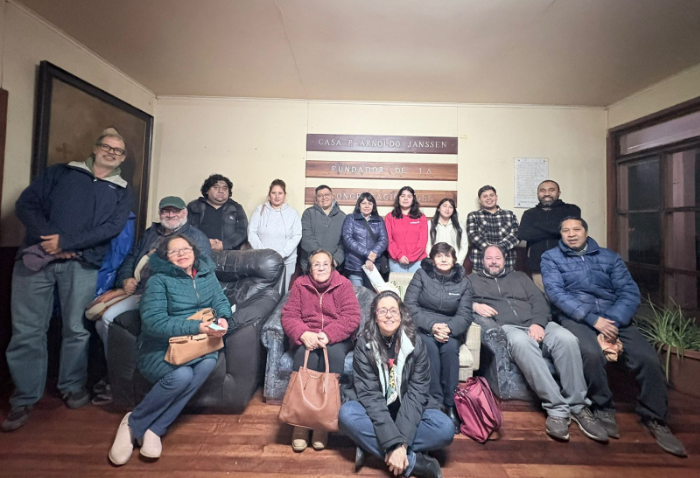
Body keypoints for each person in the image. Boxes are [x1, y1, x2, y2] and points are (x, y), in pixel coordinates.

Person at [2, 129, 132, 432]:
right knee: (27, 331)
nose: (111, 152)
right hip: (36, 259)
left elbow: (112, 228)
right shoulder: (60, 173)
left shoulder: (121, 190)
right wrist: (50, 239)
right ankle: (24, 397)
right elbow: (26, 205)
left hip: (81, 264)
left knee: (76, 329)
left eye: (118, 150)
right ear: (95, 148)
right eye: (107, 146)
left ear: (123, 158)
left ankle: (72, 386)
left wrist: (66, 243)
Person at [541, 217, 687, 457]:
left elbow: (629, 292)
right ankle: (602, 406)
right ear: (561, 235)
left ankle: (655, 417)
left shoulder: (609, 257)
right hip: (577, 318)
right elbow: (556, 294)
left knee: (647, 358)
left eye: (576, 229)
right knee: (590, 353)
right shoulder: (551, 258)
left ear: (586, 232)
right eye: (566, 230)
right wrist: (592, 320)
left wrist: (612, 321)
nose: (571, 234)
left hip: (615, 319)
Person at [108, 235, 231, 465]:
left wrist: (223, 317)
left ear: (194, 251)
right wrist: (198, 326)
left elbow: (221, 300)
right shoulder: (158, 280)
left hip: (199, 344)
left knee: (207, 363)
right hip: (160, 346)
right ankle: (133, 423)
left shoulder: (207, 274)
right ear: (166, 257)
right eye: (174, 251)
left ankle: (155, 428)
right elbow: (154, 323)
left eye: (186, 248)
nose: (182, 254)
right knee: (180, 376)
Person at [469, 245, 608, 442]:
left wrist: (538, 324)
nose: (493, 262)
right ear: (482, 261)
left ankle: (578, 406)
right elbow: (460, 300)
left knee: (567, 339)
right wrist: (475, 305)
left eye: (497, 258)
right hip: (508, 327)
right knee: (523, 343)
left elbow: (540, 301)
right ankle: (557, 409)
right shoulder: (472, 281)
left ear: (504, 260)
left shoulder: (520, 277)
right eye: (489, 258)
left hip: (538, 323)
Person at [91, 196, 212, 406]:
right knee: (99, 321)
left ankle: (118, 379)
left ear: (184, 213)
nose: (170, 215)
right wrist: (126, 279)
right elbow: (131, 257)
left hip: (163, 297)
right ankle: (115, 373)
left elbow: (198, 272)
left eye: (175, 211)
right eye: (166, 211)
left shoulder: (195, 237)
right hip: (138, 291)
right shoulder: (150, 233)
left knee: (109, 319)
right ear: (160, 213)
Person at [338, 291, 453, 478]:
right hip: (374, 409)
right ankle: (415, 462)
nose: (389, 315)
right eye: (383, 311)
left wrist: (400, 444)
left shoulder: (416, 343)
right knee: (347, 415)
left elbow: (417, 394)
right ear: (375, 316)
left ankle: (371, 446)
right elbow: (370, 396)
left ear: (401, 314)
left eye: (393, 310)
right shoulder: (364, 344)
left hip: (406, 406)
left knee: (445, 428)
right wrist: (394, 444)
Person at [281, 249, 361, 452]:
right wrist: (303, 334)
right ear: (310, 269)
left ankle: (322, 422)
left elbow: (352, 317)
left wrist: (328, 334)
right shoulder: (300, 285)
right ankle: (301, 422)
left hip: (336, 337)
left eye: (326, 264)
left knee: (333, 357)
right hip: (308, 334)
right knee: (303, 357)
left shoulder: (344, 284)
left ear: (333, 266)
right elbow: (289, 316)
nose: (321, 268)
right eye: (316, 264)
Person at [404, 243, 473, 433]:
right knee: (429, 349)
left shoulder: (464, 282)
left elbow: (465, 315)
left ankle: (450, 404)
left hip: (450, 328)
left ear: (454, 260)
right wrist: (432, 326)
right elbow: (409, 305)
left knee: (450, 350)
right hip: (424, 326)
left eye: (447, 256)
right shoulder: (421, 275)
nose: (443, 259)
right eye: (439, 256)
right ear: (432, 260)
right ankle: (435, 403)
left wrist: (448, 329)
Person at [518, 180, 580, 292]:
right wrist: (558, 228)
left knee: (566, 299)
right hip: (539, 267)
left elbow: (570, 230)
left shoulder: (571, 209)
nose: (547, 193)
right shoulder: (529, 213)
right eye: (542, 190)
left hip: (567, 266)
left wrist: (537, 225)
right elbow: (523, 234)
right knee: (544, 300)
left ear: (559, 193)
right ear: (538, 194)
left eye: (551, 190)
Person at [248, 179, 302, 292]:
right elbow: (251, 233)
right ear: (269, 194)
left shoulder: (293, 213)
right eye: (274, 193)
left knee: (282, 292)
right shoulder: (260, 210)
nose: (277, 196)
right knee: (262, 293)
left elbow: (297, 235)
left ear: (285, 195)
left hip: (286, 261)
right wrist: (265, 254)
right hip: (262, 260)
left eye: (280, 193)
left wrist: (282, 254)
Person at [187, 174, 248, 251]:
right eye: (216, 187)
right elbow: (186, 230)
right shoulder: (194, 206)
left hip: (229, 252)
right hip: (199, 251)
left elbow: (243, 231)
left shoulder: (236, 208)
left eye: (224, 188)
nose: (221, 191)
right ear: (207, 190)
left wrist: (224, 245)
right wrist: (204, 242)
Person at [466, 185, 519, 273]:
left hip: (507, 264)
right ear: (479, 200)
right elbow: (473, 235)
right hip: (480, 265)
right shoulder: (473, 216)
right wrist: (492, 250)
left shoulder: (509, 215)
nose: (489, 198)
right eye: (485, 196)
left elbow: (516, 235)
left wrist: (500, 248)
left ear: (496, 197)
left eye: (491, 195)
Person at [342, 193, 389, 289]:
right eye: (363, 203)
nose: (367, 206)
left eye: (370, 203)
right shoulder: (350, 218)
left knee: (371, 295)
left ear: (373, 205)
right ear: (359, 205)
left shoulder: (379, 220)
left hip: (373, 266)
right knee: (357, 294)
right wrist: (367, 253)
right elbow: (347, 239)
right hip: (355, 265)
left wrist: (371, 257)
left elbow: (383, 240)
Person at [300, 185, 346, 272]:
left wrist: (335, 260)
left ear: (332, 196)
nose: (324, 198)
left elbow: (344, 243)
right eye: (320, 195)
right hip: (310, 265)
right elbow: (306, 237)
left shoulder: (342, 216)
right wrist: (322, 259)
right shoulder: (308, 213)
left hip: (334, 265)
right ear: (316, 199)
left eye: (327, 194)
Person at [385, 186, 428, 273]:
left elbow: (423, 241)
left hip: (417, 262)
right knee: (397, 283)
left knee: (416, 282)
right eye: (403, 196)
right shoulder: (390, 217)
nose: (405, 198)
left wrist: (411, 257)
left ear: (413, 199)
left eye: (409, 196)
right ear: (398, 198)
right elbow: (388, 240)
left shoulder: (421, 217)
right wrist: (399, 256)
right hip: (396, 262)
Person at [425, 198, 469, 266]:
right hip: (434, 263)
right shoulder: (429, 224)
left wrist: (457, 263)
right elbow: (426, 245)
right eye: (444, 206)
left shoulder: (459, 225)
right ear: (438, 209)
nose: (447, 209)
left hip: (454, 263)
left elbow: (464, 245)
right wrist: (432, 261)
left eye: (451, 207)